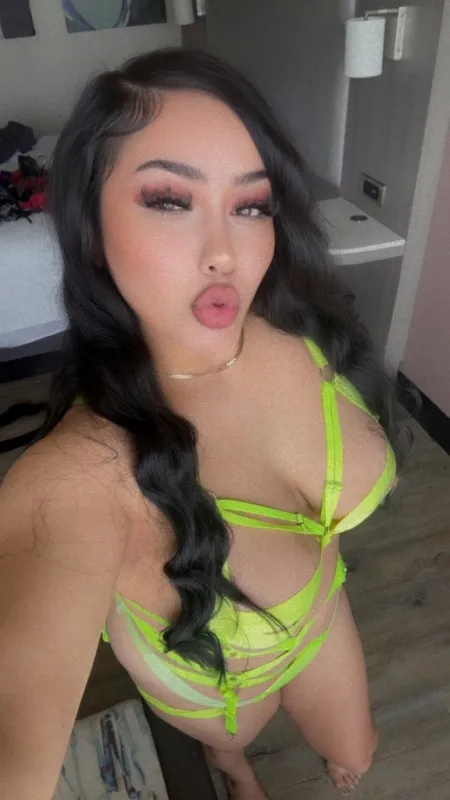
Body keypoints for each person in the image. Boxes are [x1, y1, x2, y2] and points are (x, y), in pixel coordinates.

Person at [0, 49, 404, 800]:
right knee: (233, 749)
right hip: (215, 685)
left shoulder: (304, 331)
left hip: (322, 614)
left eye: (251, 206)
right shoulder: (81, 476)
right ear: (90, 228)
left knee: (357, 751)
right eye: (169, 199)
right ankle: (235, 770)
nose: (226, 254)